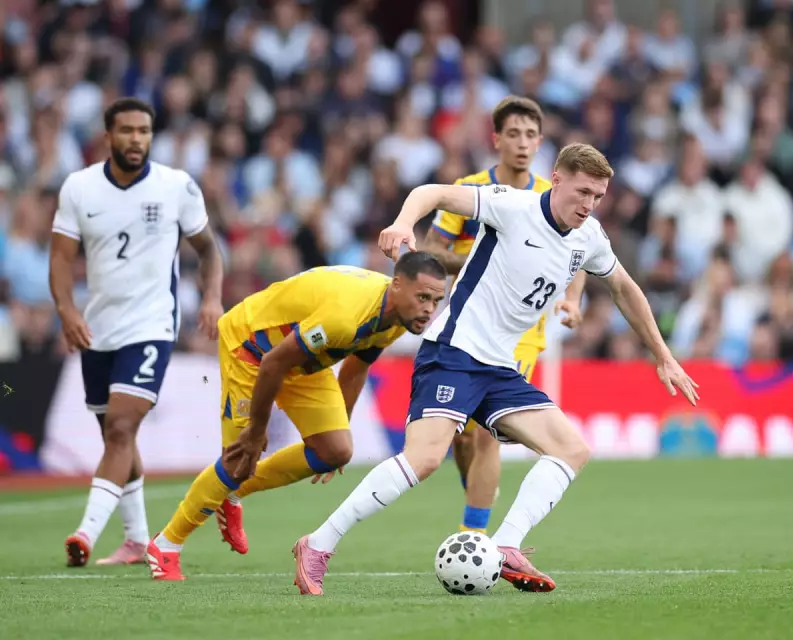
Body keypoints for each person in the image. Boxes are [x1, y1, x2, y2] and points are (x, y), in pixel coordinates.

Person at [289, 143, 699, 596]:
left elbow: (624, 287)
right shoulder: (513, 206)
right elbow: (432, 192)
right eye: (583, 192)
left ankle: (505, 545)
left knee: (571, 449)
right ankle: (317, 544)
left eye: (598, 197)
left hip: (499, 368)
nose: (589, 205)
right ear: (557, 179)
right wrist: (404, 222)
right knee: (424, 458)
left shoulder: (590, 237)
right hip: (454, 352)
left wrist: (663, 355)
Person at [146, 255, 447, 581]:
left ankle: (233, 493)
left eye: (436, 301)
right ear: (397, 285)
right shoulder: (344, 317)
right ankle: (166, 543)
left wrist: (339, 424)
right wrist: (256, 430)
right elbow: (273, 363)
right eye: (422, 297)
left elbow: (356, 367)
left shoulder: (397, 317)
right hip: (251, 349)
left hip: (302, 360)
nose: (429, 310)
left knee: (335, 450)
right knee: (238, 460)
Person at [49, 97, 224, 567]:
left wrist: (211, 297)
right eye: (126, 130)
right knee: (116, 436)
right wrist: (66, 310)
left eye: (144, 131)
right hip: (97, 329)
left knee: (122, 427)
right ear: (108, 136)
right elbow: (61, 258)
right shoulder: (79, 188)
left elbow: (209, 250)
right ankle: (137, 540)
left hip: (152, 325)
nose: (136, 139)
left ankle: (85, 533)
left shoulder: (176, 186)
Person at [423, 96, 585, 535]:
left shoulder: (551, 197)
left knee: (486, 432)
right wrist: (482, 262)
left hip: (521, 333)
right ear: (496, 139)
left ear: (541, 142)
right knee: (461, 435)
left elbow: (580, 254)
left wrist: (572, 299)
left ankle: (473, 537)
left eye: (530, 135)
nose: (522, 143)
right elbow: (432, 250)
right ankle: (478, 493)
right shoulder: (471, 189)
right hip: (468, 324)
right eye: (513, 133)